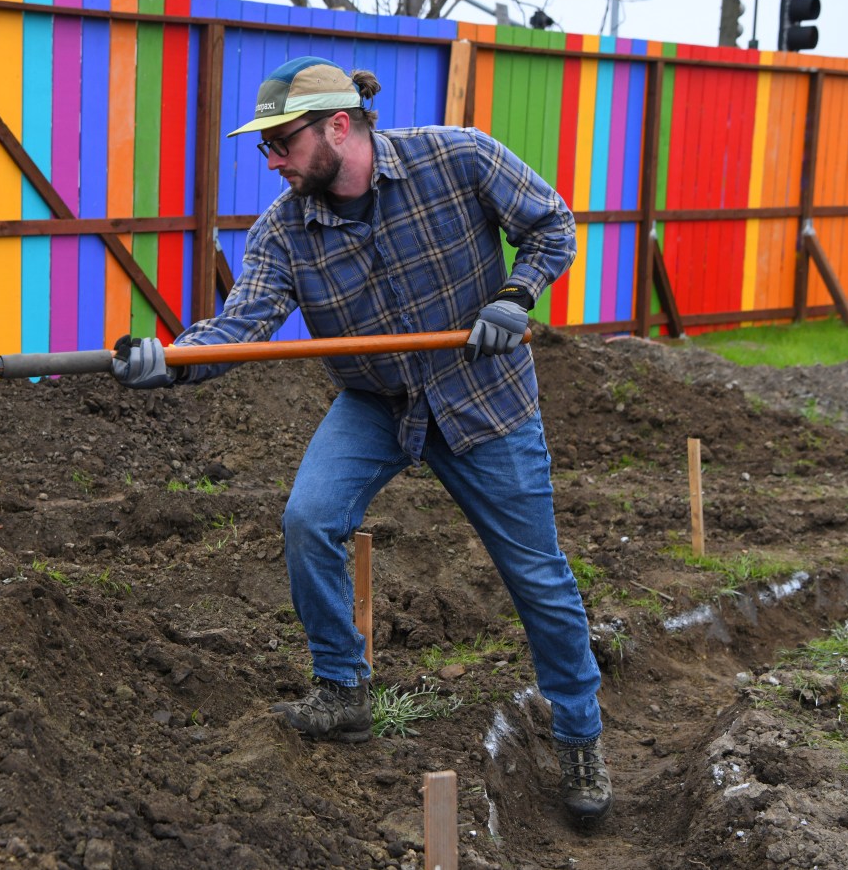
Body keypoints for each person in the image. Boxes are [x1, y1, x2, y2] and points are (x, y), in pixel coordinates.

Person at [110, 56, 611, 828]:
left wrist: (516, 294)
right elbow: (243, 324)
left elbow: (551, 224)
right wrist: (169, 362)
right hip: (377, 401)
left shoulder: (459, 157)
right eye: (265, 146)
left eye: (282, 142)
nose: (271, 161)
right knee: (310, 518)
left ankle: (580, 735)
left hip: (481, 397)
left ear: (339, 126)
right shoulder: (284, 230)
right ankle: (343, 690)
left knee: (536, 576)